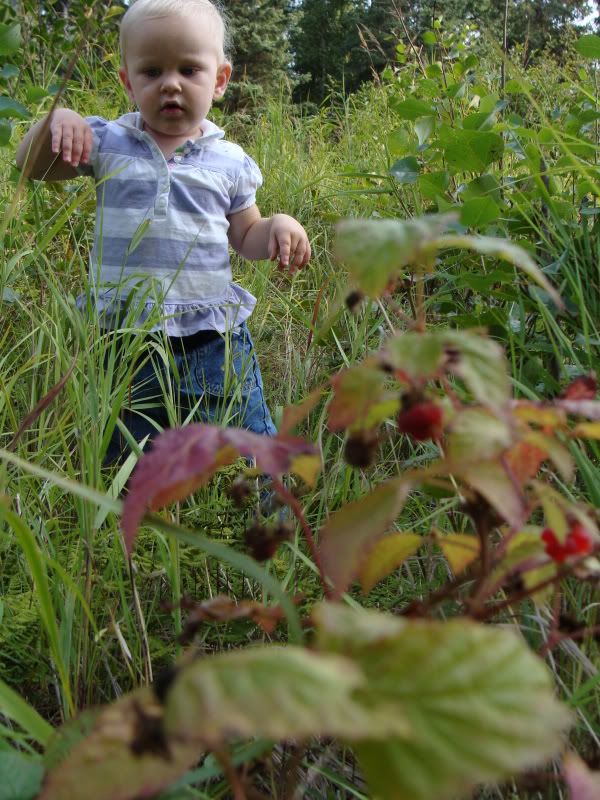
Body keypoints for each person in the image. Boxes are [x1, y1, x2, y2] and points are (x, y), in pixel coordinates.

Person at [16, 0, 310, 463]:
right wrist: (56, 121)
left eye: (189, 70)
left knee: (244, 429)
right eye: (151, 72)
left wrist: (278, 225)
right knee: (126, 448)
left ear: (219, 81)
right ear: (128, 81)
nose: (170, 83)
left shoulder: (229, 160)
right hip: (124, 336)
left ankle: (267, 504)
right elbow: (31, 168)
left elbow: (246, 234)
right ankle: (136, 517)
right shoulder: (107, 141)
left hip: (211, 334)